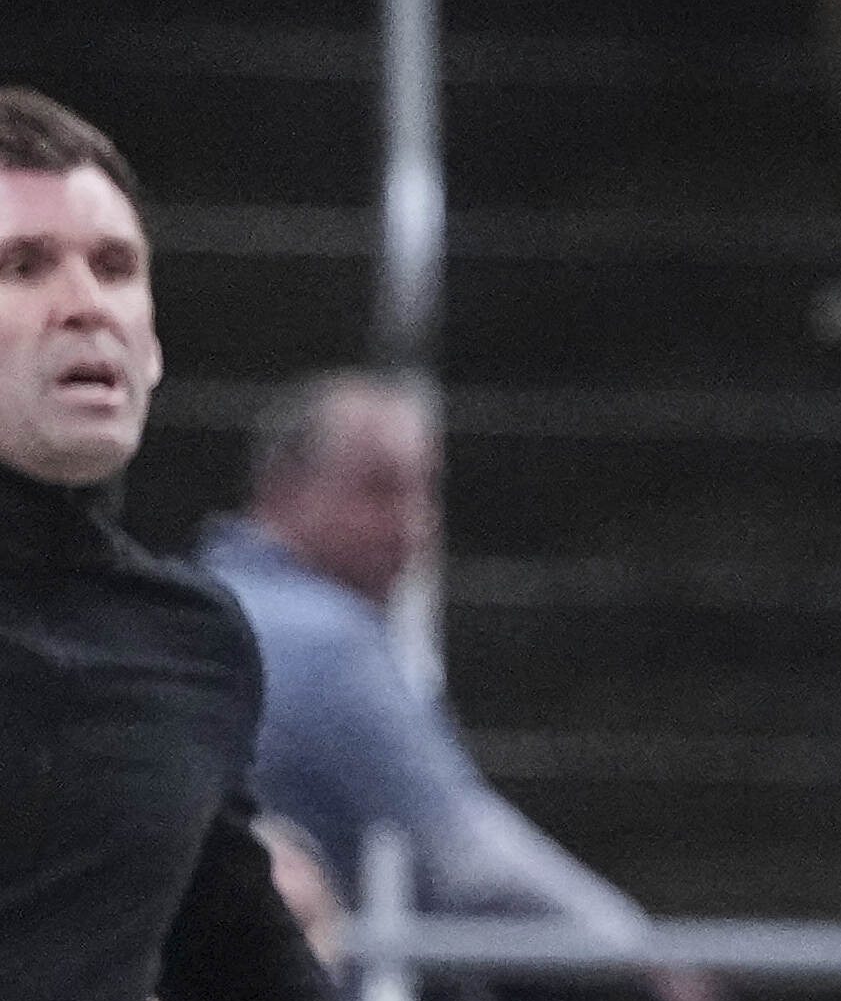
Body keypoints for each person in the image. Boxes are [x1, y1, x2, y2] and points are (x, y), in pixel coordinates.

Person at [201, 379, 646, 941]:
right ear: (285, 488)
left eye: (425, 494)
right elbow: (466, 858)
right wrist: (638, 951)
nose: (414, 525)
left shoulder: (193, 601)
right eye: (380, 490)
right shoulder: (327, 641)